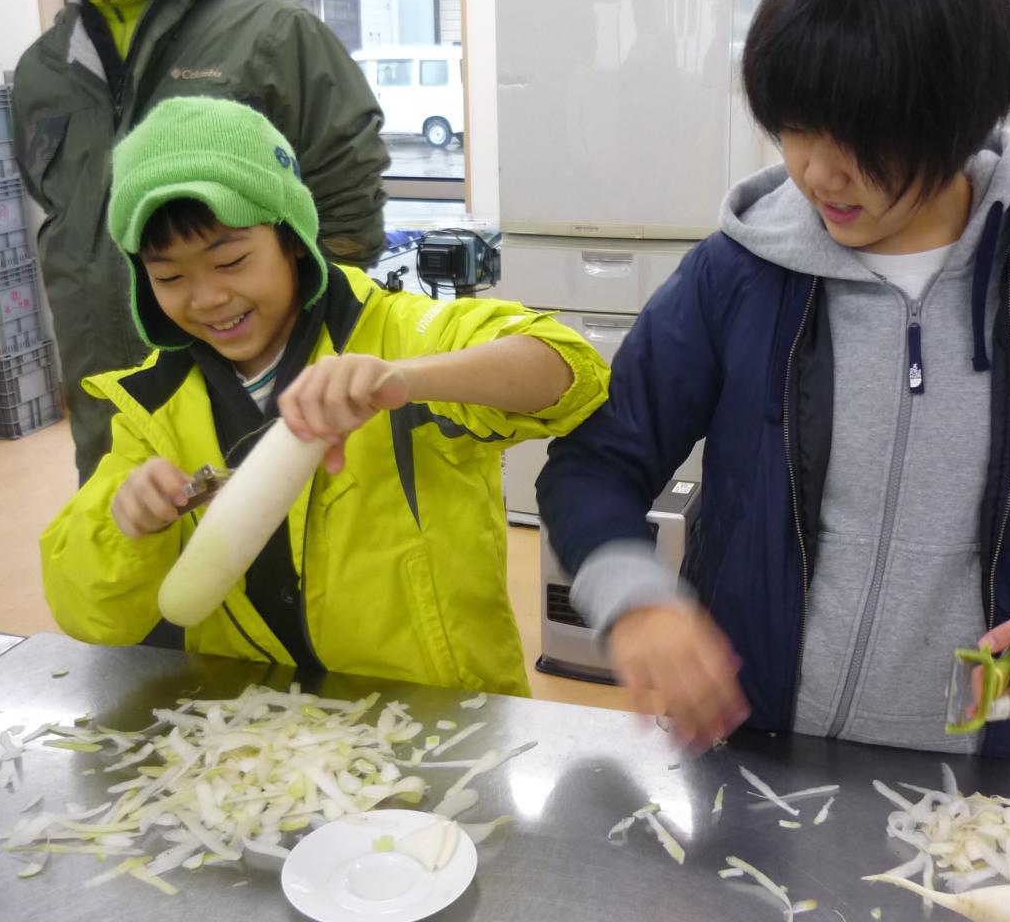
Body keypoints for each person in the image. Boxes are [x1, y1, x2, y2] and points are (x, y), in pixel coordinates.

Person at [536, 0, 1010, 762]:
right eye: (796, 127)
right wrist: (635, 597)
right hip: (747, 746)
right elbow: (594, 463)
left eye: (862, 144)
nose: (816, 173)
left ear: (957, 119)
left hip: (976, 767)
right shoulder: (735, 274)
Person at [40, 97, 609, 694]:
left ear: (291, 239)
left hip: (436, 721)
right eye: (170, 277)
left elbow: (571, 371)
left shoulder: (397, 335)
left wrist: (405, 379)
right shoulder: (153, 406)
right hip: (262, 730)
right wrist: (126, 526)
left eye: (230, 260)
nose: (206, 298)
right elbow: (89, 615)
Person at [14, 0, 390, 481]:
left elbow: (348, 216)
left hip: (271, 409)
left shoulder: (273, 32)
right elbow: (62, 218)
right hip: (112, 415)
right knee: (124, 543)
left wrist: (297, 373)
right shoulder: (42, 70)